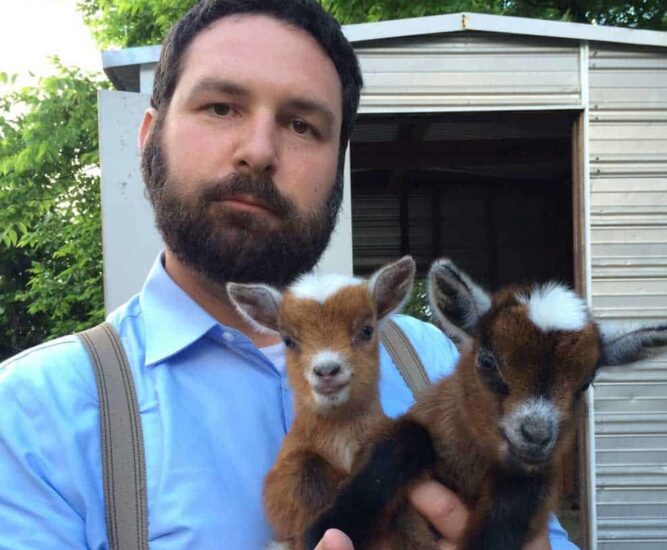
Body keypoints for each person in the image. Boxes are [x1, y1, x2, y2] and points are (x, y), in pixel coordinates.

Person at [0, 1, 577, 548]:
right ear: (150, 136)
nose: (259, 151)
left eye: (302, 125)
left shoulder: (437, 365)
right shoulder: (31, 417)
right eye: (220, 106)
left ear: (337, 170)